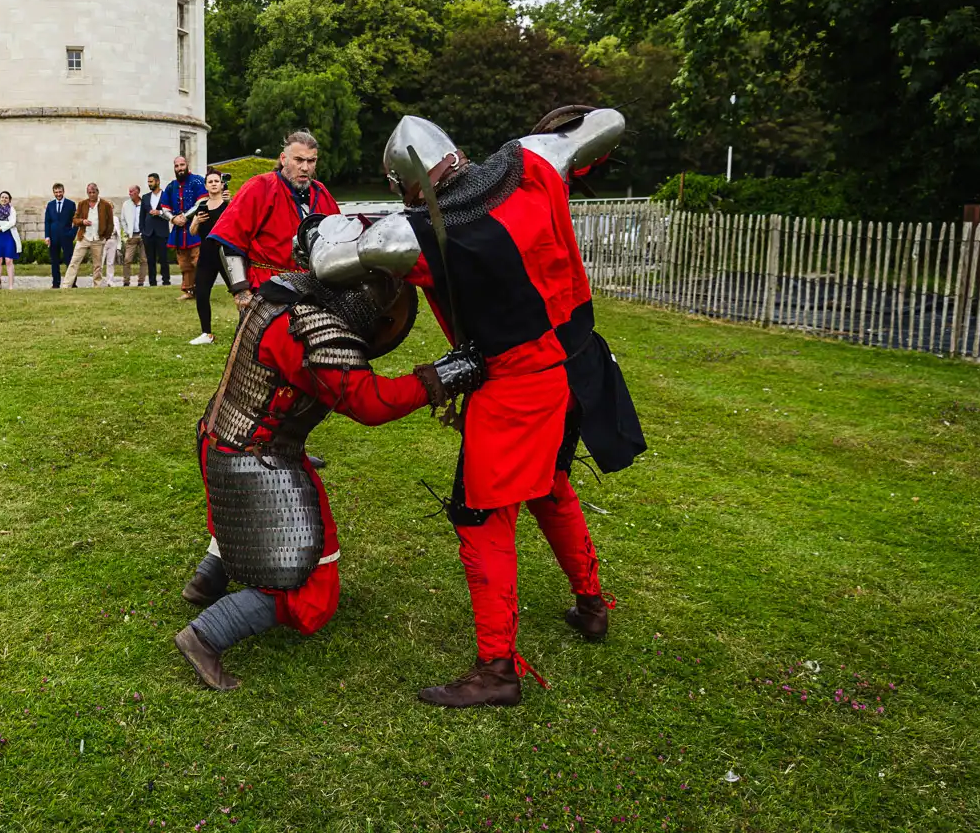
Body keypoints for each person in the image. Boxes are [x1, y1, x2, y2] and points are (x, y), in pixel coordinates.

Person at [378, 110, 646, 708]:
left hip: (516, 387)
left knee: (480, 517)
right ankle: (591, 603)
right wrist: (561, 130)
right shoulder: (527, 164)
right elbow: (608, 121)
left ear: (409, 181)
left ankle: (497, 669)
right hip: (576, 362)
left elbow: (328, 258)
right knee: (550, 485)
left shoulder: (419, 236)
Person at [173, 225, 485, 691]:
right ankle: (206, 635)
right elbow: (370, 404)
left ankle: (206, 582)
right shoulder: (312, 330)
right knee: (311, 586)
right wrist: (440, 376)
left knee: (235, 519)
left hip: (219, 436)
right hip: (258, 458)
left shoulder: (283, 293)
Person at [211, 132, 340, 313]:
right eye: (298, 160)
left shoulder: (322, 193)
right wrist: (241, 289)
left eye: (311, 161)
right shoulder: (259, 187)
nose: (305, 167)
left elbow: (337, 243)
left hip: (315, 288)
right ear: (283, 158)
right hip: (269, 288)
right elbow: (230, 240)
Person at [186, 172, 230, 345]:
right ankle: (206, 333)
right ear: (205, 186)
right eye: (210, 181)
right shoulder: (201, 206)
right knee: (202, 293)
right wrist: (196, 221)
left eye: (216, 181)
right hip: (206, 255)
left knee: (238, 293)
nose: (213, 184)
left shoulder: (228, 206)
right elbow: (192, 232)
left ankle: (247, 329)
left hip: (226, 255)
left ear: (221, 185)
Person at [160, 155, 208, 300]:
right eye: (177, 166)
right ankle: (189, 291)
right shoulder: (171, 186)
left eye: (182, 165)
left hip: (196, 228)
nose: (180, 168)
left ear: (187, 165)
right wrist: (173, 219)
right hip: (180, 231)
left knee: (198, 261)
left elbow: (202, 201)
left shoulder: (197, 180)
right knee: (184, 263)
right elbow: (164, 208)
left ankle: (202, 290)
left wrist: (185, 217)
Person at [66, 183, 114, 288]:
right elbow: (75, 219)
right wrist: (82, 221)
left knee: (98, 265)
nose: (92, 195)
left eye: (93, 192)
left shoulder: (106, 205)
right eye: (89, 192)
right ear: (87, 193)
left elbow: (110, 223)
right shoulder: (82, 204)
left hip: (98, 239)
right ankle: (66, 285)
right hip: (84, 237)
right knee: (74, 262)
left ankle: (97, 286)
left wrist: (106, 237)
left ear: (98, 192)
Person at [43, 183, 77, 289]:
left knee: (69, 260)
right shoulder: (50, 205)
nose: (58, 194)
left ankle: (71, 283)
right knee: (54, 261)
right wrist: (47, 236)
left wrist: (72, 234)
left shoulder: (70, 204)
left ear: (63, 191)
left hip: (66, 236)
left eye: (60, 192)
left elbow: (75, 220)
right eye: (56, 192)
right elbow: (47, 221)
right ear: (53, 192)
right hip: (53, 237)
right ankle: (55, 283)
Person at [0, 191, 21, 291]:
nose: (4, 199)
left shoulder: (12, 210)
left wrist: (1, 227)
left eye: (6, 198)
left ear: (9, 200)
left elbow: (13, 222)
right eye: (2, 197)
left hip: (9, 236)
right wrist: (5, 224)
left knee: (9, 260)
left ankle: (11, 285)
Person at [120, 185, 146, 287]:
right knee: (127, 259)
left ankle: (141, 281)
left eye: (132, 191)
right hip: (132, 235)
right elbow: (122, 219)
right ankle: (126, 281)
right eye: (129, 191)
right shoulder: (126, 204)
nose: (130, 193)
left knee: (144, 259)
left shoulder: (145, 203)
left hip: (143, 235)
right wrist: (127, 231)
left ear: (138, 192)